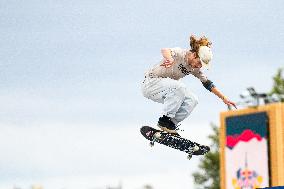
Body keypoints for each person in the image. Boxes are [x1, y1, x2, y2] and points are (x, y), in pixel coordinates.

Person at [141, 35, 237, 134]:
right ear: (195, 55)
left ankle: (170, 125)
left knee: (192, 100)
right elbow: (165, 50)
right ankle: (164, 121)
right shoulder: (180, 53)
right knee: (179, 87)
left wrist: (223, 98)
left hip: (166, 89)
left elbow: (207, 83)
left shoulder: (194, 68)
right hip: (151, 83)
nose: (199, 66)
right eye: (199, 63)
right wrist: (170, 59)